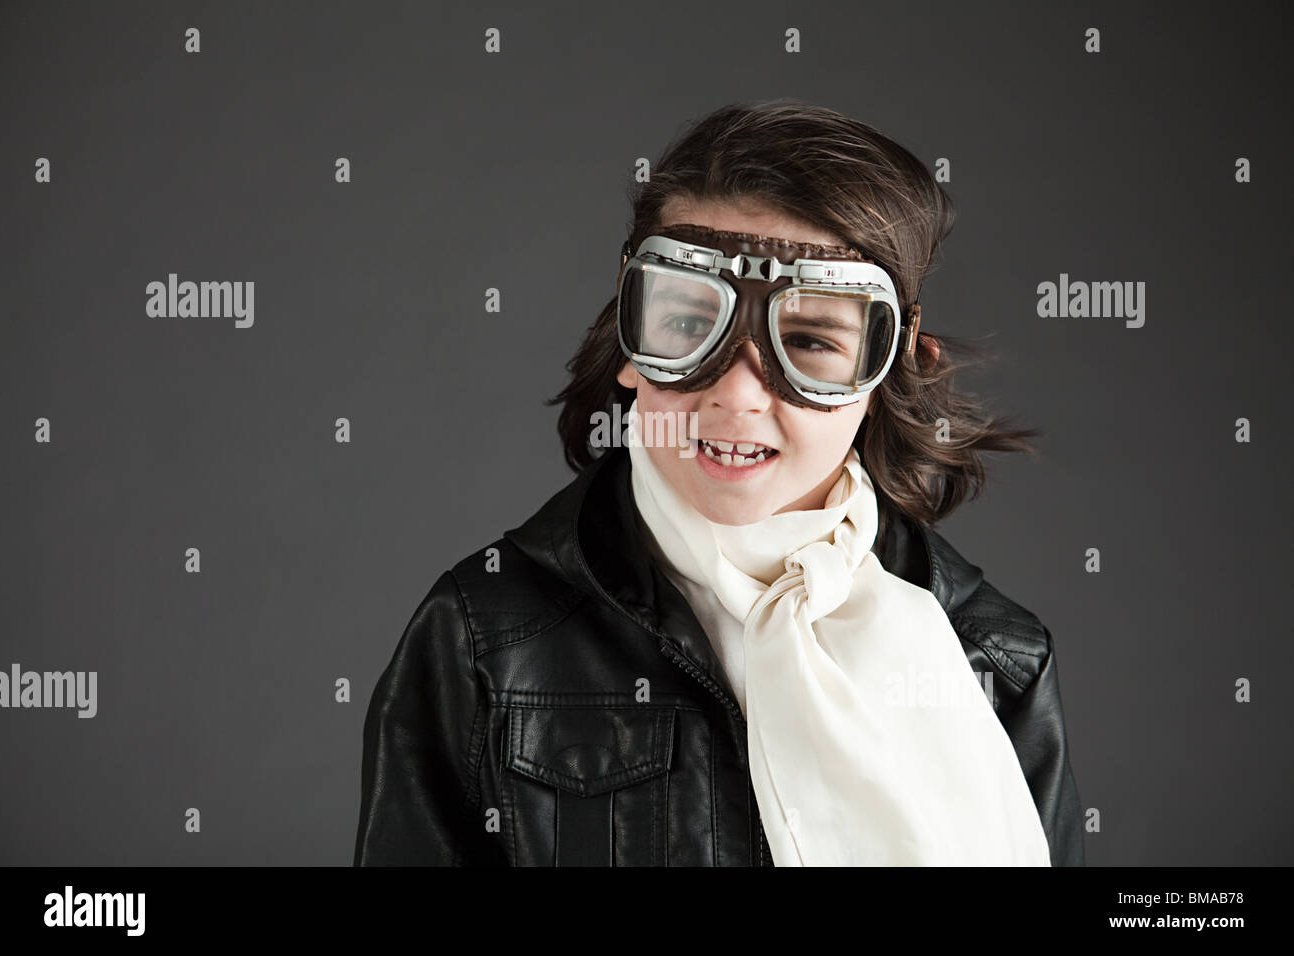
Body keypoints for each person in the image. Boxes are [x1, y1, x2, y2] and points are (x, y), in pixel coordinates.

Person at [354, 99, 1085, 867]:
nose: (736, 396)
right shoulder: (481, 638)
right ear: (628, 342)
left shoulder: (992, 657)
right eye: (686, 323)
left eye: (808, 341)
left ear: (890, 369)